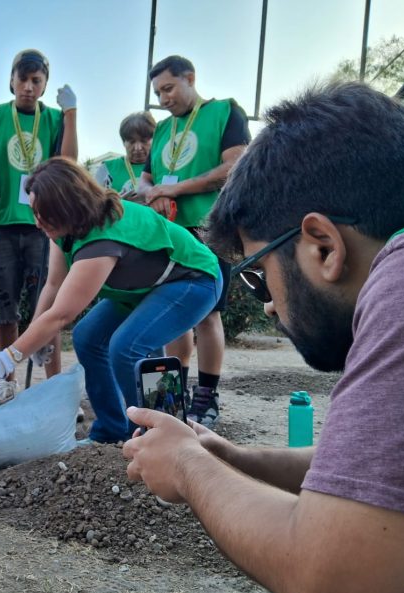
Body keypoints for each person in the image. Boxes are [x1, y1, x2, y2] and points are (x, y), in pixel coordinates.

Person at [123, 83, 404, 593]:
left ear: (322, 245)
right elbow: (373, 474)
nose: (270, 305)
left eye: (257, 274)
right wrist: (231, 457)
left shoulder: (403, 286)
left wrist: (188, 467)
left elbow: (330, 580)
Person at [0, 158, 221, 443]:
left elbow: (62, 315)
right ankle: (111, 430)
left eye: (42, 213)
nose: (36, 222)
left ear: (66, 205)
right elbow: (54, 286)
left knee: (127, 346)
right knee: (87, 336)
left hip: (193, 280)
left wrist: (9, 356)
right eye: (34, 212)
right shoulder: (65, 229)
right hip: (146, 286)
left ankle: (162, 438)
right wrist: (36, 336)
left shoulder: (101, 239)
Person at [137, 55, 250, 428]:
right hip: (168, 234)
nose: (164, 98)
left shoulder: (225, 112)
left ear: (190, 78)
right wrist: (149, 191)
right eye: (158, 93)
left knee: (207, 314)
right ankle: (172, 395)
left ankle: (207, 395)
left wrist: (177, 188)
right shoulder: (163, 130)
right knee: (171, 314)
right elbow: (147, 177)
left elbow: (235, 166)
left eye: (168, 88)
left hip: (210, 231)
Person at [0, 49, 78, 406]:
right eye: (22, 79)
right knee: (5, 306)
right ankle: (6, 383)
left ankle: (53, 388)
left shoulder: (53, 119)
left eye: (36, 81)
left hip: (44, 227)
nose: (28, 87)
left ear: (44, 85)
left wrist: (72, 115)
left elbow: (69, 161)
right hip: (1, 226)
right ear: (11, 81)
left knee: (47, 309)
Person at [95, 111, 156, 201]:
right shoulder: (106, 169)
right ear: (124, 142)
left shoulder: (163, 166)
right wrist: (116, 203)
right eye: (132, 142)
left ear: (154, 140)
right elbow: (93, 204)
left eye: (144, 141)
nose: (138, 148)